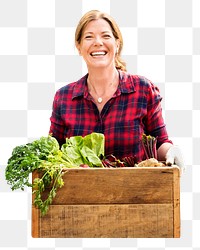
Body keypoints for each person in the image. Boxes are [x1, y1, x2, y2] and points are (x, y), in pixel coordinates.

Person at [49, 10, 184, 171]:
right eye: (89, 37)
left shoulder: (142, 89)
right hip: (80, 194)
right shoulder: (64, 97)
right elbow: (54, 152)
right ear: (79, 47)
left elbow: (160, 143)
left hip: (136, 193)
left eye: (106, 36)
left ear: (117, 43)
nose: (98, 42)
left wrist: (172, 151)